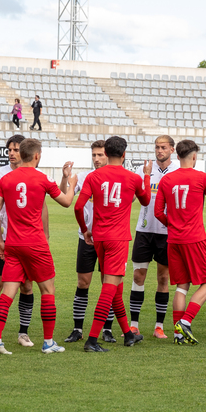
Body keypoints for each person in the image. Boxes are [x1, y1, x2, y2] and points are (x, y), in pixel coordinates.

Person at [0, 139, 76, 354]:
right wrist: (71, 185)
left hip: (13, 243)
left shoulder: (6, 178)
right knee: (47, 290)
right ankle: (48, 342)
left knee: (7, 292)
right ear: (37, 155)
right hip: (35, 243)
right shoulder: (42, 178)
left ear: (22, 154)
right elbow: (66, 202)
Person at [72, 136, 152, 350]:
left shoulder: (93, 176)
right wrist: (145, 177)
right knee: (109, 288)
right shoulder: (133, 177)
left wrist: (84, 230)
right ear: (124, 154)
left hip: (98, 236)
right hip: (118, 239)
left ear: (105, 154)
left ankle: (128, 334)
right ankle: (92, 339)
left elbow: (78, 207)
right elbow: (145, 201)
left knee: (115, 286)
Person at [154, 139, 206, 344]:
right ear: (194, 156)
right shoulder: (202, 177)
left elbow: (158, 212)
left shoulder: (167, 180)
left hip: (174, 239)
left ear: (177, 155)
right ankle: (186, 322)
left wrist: (172, 224)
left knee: (182, 286)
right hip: (195, 239)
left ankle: (177, 335)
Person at [0, 134, 40, 349]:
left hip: (27, 239)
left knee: (27, 285)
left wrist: (46, 234)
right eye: (10, 150)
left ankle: (23, 333)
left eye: (16, 150)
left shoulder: (35, 174)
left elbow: (40, 207)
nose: (12, 153)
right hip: (4, 239)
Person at [68, 141, 119, 344]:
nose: (96, 158)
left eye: (100, 155)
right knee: (83, 282)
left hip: (109, 239)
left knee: (109, 284)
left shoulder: (117, 178)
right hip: (86, 238)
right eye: (94, 155)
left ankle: (107, 328)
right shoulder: (84, 177)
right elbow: (68, 196)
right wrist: (66, 180)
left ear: (108, 156)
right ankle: (77, 328)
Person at [130, 135, 177, 338]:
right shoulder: (142, 170)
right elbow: (131, 196)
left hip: (166, 233)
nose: (159, 151)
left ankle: (159, 326)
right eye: (157, 147)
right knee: (138, 276)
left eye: (164, 147)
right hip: (144, 230)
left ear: (172, 150)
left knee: (163, 278)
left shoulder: (177, 172)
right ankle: (133, 325)